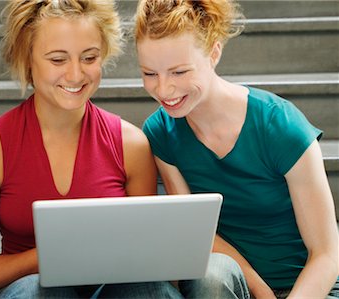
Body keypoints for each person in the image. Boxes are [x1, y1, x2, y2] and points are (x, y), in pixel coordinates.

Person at [0, 1, 248, 298]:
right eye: (57, 60)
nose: (75, 74)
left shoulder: (131, 145)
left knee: (145, 291)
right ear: (27, 59)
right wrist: (47, 257)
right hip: (34, 292)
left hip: (115, 290)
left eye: (89, 57)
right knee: (38, 291)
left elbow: (149, 260)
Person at [134, 0, 339, 298]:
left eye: (179, 72)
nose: (163, 89)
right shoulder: (161, 131)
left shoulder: (280, 124)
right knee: (213, 274)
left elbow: (326, 253)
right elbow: (196, 232)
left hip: (309, 286)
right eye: (150, 74)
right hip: (233, 283)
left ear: (214, 53)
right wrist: (260, 290)